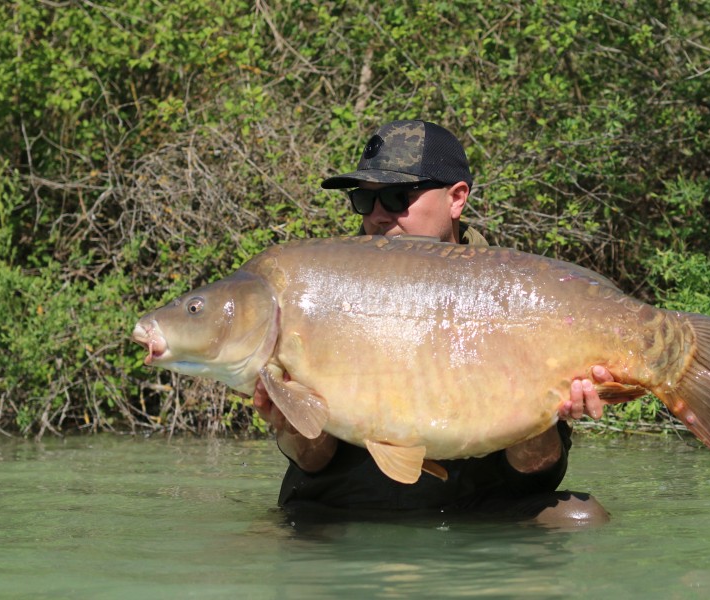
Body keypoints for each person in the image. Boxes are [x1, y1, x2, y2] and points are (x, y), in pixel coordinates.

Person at [253, 120, 617, 527]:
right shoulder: (321, 289)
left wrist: (542, 411)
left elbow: (536, 470)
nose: (377, 216)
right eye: (362, 199)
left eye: (396, 196)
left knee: (581, 517)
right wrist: (293, 422)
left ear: (456, 198)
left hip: (474, 510)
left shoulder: (518, 293)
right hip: (340, 508)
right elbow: (313, 462)